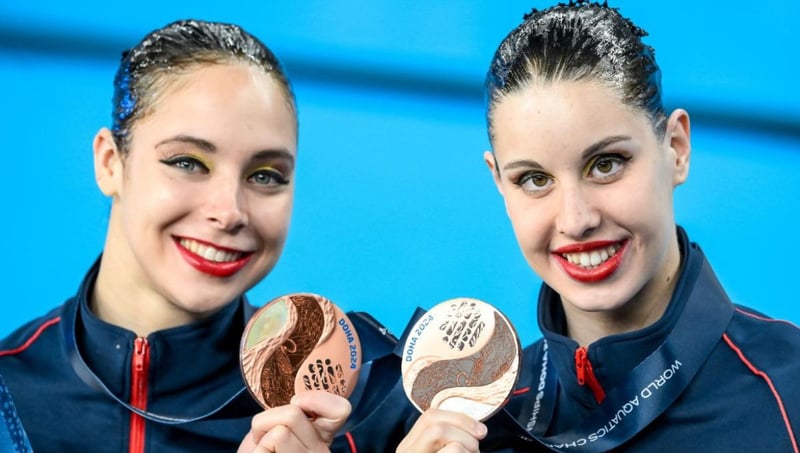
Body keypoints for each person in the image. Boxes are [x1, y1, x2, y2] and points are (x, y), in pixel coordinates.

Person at [397, 1, 800, 452]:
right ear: (500, 184)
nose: (576, 220)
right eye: (535, 179)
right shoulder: (462, 428)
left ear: (676, 148)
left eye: (606, 164)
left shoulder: (791, 393)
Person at [0, 19, 412, 452]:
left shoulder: (367, 416)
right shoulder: (9, 393)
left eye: (265, 175)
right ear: (109, 163)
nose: (230, 212)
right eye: (187, 163)